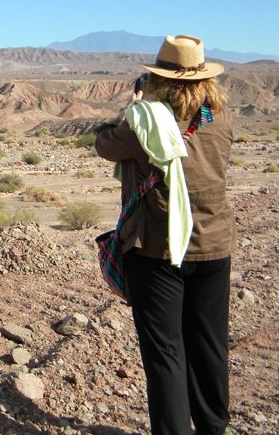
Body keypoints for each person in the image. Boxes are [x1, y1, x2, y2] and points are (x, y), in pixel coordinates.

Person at [95, 35, 235, 435]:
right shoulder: (220, 116)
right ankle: (213, 427)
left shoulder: (145, 121)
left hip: (158, 249)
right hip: (213, 244)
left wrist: (134, 107)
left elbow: (105, 144)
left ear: (160, 78)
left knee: (165, 353)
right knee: (210, 345)